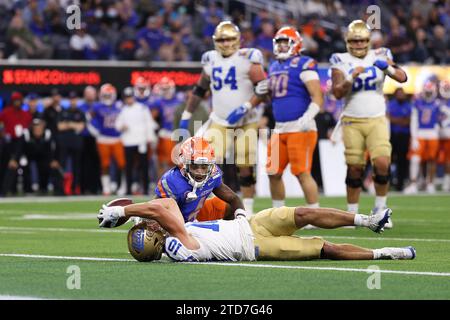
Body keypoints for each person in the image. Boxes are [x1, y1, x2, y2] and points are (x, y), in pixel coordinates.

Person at [97, 197, 416, 263]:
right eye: (150, 229)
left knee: (305, 213)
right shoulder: (178, 243)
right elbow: (160, 207)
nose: (151, 225)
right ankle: (385, 253)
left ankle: (369, 221)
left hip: (250, 224)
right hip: (256, 248)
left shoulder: (174, 234)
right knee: (324, 249)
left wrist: (125, 212)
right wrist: (120, 211)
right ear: (157, 241)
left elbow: (162, 207)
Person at [178, 21, 268, 215]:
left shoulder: (248, 57)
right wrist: (187, 114)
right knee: (205, 161)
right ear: (215, 41)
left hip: (247, 119)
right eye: (221, 39)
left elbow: (263, 89)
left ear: (238, 40)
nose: (226, 43)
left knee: (245, 164)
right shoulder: (210, 59)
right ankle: (208, 205)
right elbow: (200, 89)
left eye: (229, 39)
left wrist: (246, 106)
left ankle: (248, 209)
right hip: (219, 119)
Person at [329, 20, 407, 224]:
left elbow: (402, 77)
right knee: (355, 168)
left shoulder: (381, 54)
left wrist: (387, 68)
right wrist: (349, 79)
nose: (359, 45)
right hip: (352, 121)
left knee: (382, 163)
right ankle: (352, 214)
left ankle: (381, 210)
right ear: (348, 41)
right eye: (354, 41)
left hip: (377, 119)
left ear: (368, 40)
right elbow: (336, 92)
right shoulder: (340, 59)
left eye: (362, 40)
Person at [261, 26, 323, 211]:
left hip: (300, 127)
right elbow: (275, 99)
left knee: (302, 173)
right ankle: (277, 212)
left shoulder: (305, 63)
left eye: (285, 43)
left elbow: (318, 96)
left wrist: (307, 117)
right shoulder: (273, 66)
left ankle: (314, 212)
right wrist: (263, 92)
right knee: (273, 172)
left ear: (295, 45)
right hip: (280, 128)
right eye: (278, 43)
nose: (280, 47)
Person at [154, 136, 247, 223]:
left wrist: (242, 220)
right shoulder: (173, 181)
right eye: (194, 166)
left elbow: (233, 199)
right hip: (175, 222)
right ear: (184, 164)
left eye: (204, 166)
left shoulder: (213, 175)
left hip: (195, 215)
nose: (200, 172)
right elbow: (155, 210)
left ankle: (228, 235)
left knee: (227, 205)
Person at [115, 87, 158, 195]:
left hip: (141, 141)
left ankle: (145, 188)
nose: (128, 100)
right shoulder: (123, 110)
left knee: (144, 166)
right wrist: (121, 127)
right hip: (128, 141)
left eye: (130, 97)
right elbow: (117, 124)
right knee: (128, 166)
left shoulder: (142, 108)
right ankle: (128, 189)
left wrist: (150, 138)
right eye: (126, 98)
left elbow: (149, 123)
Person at [403, 81, 441, 194]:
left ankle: (430, 183)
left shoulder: (438, 103)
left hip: (433, 133)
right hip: (420, 133)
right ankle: (414, 183)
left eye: (430, 92)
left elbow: (440, 120)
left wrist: (438, 131)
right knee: (415, 159)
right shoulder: (417, 102)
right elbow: (414, 121)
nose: (428, 94)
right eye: (427, 92)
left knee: (432, 159)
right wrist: (414, 137)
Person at [88, 83, 126, 196]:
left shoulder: (119, 106)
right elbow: (89, 119)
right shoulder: (96, 107)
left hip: (117, 138)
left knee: (122, 164)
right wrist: (94, 130)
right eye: (105, 95)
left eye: (109, 95)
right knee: (105, 165)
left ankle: (123, 186)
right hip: (103, 139)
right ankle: (106, 187)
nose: (108, 97)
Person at [387, 88, 412, 191]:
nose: (401, 95)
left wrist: (395, 120)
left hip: (404, 136)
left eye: (402, 93)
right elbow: (388, 118)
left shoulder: (408, 105)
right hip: (392, 135)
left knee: (402, 160)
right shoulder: (391, 104)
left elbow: (408, 120)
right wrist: (401, 120)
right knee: (389, 159)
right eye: (399, 93)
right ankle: (387, 182)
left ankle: (400, 184)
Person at [439, 80, 450, 191]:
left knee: (448, 159)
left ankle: (447, 180)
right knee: (430, 158)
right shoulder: (436, 102)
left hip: (447, 132)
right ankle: (426, 181)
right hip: (436, 133)